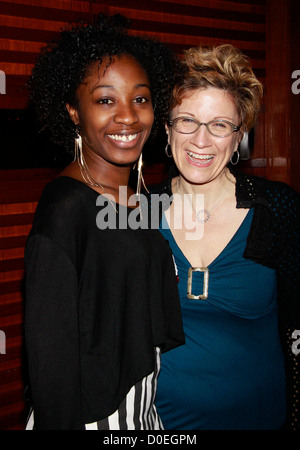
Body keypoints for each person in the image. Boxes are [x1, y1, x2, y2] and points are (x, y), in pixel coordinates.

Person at [24, 14, 184, 430]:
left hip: (143, 410)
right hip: (92, 418)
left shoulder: (137, 195)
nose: (129, 117)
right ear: (73, 112)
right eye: (105, 100)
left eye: (142, 99)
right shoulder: (65, 209)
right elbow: (50, 360)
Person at [150, 44, 300, 430]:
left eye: (219, 125)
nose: (201, 140)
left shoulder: (278, 209)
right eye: (187, 121)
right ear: (167, 130)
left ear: (239, 139)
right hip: (163, 427)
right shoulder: (136, 214)